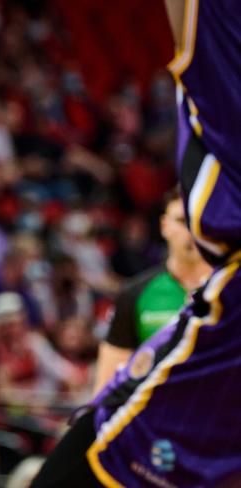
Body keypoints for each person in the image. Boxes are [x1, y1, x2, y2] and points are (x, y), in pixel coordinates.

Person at [31, 1, 241, 486]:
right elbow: (108, 378)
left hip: (223, 324)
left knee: (92, 455)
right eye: (171, 217)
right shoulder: (140, 293)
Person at [93, 188, 211, 393]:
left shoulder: (231, 290)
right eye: (183, 221)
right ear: (164, 226)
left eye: (200, 220)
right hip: (157, 418)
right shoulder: (135, 294)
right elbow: (106, 386)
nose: (192, 232)